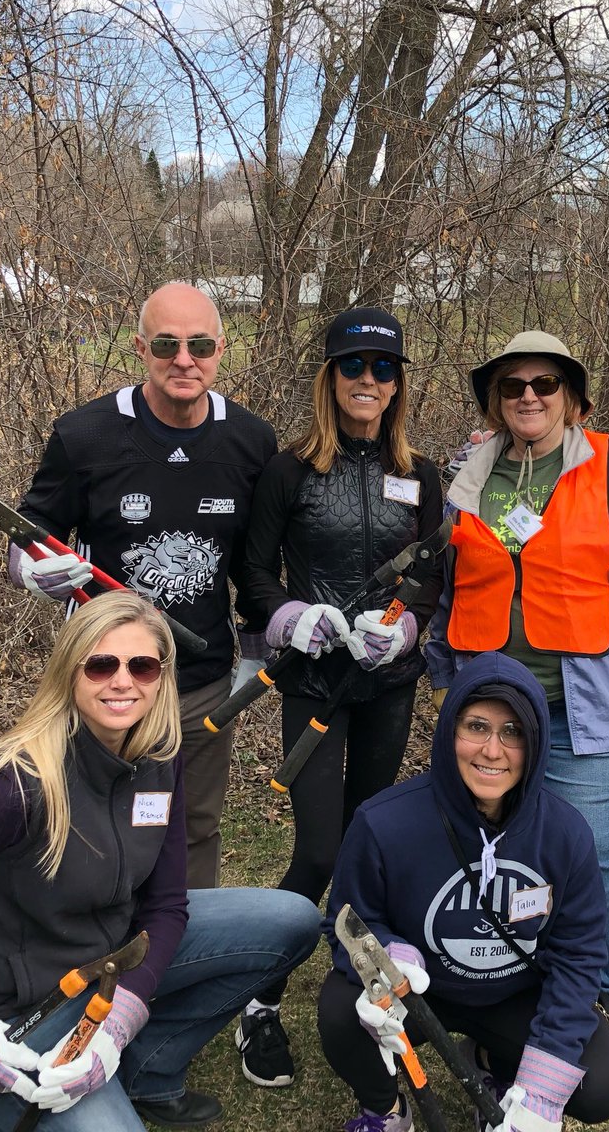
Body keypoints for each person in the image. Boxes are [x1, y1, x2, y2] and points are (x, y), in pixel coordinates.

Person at [0, 591, 321, 1130]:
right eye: (101, 665)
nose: (123, 681)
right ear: (70, 672)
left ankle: (146, 1070)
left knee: (292, 920)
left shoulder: (161, 759)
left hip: (110, 969)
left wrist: (117, 1026)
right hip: (18, 1015)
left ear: (162, 677)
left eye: (142, 666)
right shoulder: (12, 783)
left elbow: (166, 907)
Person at [425, 330, 609, 1091]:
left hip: (585, 707)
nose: (530, 397)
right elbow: (450, 587)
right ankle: (507, 1000)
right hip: (491, 708)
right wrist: (448, 677)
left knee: (593, 858)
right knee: (497, 854)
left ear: (572, 396)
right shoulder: (470, 477)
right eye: (514, 387)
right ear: (495, 401)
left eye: (546, 384)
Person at [9, 281, 278, 900]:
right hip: (111, 675)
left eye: (201, 344)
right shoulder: (86, 436)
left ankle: (187, 960)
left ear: (221, 348)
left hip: (203, 678)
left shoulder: (251, 442)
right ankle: (93, 950)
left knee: (194, 825)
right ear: (139, 347)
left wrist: (258, 650)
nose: (184, 359)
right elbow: (26, 537)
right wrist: (36, 573)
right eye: (166, 343)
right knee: (96, 821)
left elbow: (255, 561)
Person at [239, 307, 442, 1080]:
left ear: (398, 384)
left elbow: (429, 572)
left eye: (383, 369)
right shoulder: (290, 470)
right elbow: (253, 574)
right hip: (315, 682)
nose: (369, 381)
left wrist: (410, 628)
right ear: (331, 377)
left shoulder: (421, 475)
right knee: (319, 849)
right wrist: (294, 617)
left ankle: (356, 986)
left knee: (367, 841)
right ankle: (259, 1004)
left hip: (387, 684)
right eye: (354, 367)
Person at [318, 652, 609, 1132]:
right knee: (341, 1011)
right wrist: (393, 958)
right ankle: (385, 1110)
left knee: (601, 1084)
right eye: (477, 727)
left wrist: (541, 1094)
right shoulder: (382, 823)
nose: (492, 750)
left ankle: (499, 1068)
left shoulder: (566, 834)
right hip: (420, 995)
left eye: (513, 732)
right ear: (448, 732)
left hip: (514, 995)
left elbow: (579, 954)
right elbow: (346, 920)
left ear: (537, 742)